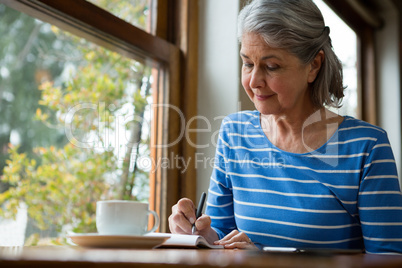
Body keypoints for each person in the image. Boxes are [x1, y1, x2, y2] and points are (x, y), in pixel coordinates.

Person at [169, 0, 402, 253]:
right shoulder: (234, 133)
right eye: (247, 63)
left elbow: (388, 259)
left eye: (271, 67)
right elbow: (223, 237)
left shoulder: (366, 147)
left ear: (313, 65)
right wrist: (201, 234)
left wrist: (264, 261)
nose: (255, 81)